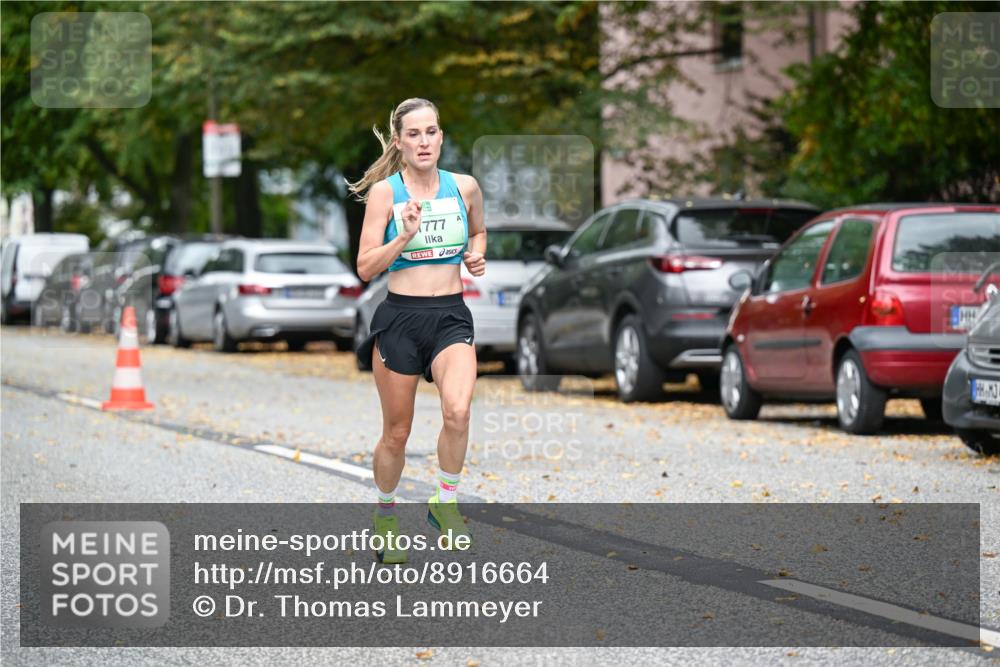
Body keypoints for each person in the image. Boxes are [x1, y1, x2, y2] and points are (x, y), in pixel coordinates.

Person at [349, 98, 486, 564]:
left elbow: (480, 232)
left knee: (458, 411)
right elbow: (366, 267)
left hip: (451, 316)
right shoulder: (387, 194)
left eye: (431, 132)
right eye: (414, 134)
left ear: (441, 137)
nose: (424, 141)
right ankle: (386, 517)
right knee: (397, 433)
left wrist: (475, 255)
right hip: (401, 319)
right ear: (400, 142)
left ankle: (444, 501)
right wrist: (403, 236)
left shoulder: (464, 188)